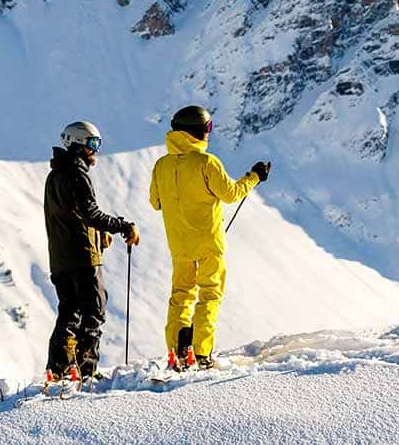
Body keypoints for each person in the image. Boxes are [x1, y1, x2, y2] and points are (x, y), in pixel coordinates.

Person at [148, 105, 270, 370]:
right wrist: (255, 177)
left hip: (179, 246)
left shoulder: (161, 165)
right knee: (209, 295)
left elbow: (155, 202)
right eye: (208, 129)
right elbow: (231, 194)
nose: (209, 134)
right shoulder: (206, 162)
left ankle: (176, 350)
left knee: (181, 296)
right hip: (208, 243)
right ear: (198, 131)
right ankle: (201, 352)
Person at [44, 120, 139, 383]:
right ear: (78, 144)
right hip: (83, 257)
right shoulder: (77, 173)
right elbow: (90, 213)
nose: (96, 150)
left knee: (69, 311)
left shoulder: (55, 175)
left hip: (61, 258)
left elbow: (71, 216)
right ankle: (85, 370)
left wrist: (99, 233)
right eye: (93, 144)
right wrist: (122, 226)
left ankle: (59, 369)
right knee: (93, 311)